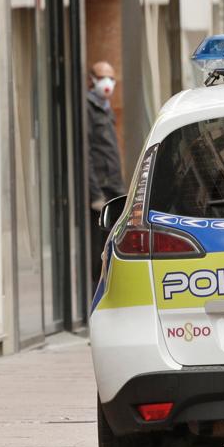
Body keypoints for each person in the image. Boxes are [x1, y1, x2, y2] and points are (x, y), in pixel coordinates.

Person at [86, 61, 126, 282]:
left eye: (111, 78)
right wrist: (95, 195)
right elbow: (87, 154)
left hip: (113, 188)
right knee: (98, 249)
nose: (107, 83)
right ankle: (96, 291)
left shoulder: (105, 107)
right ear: (91, 80)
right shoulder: (88, 108)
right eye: (102, 77)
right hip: (101, 192)